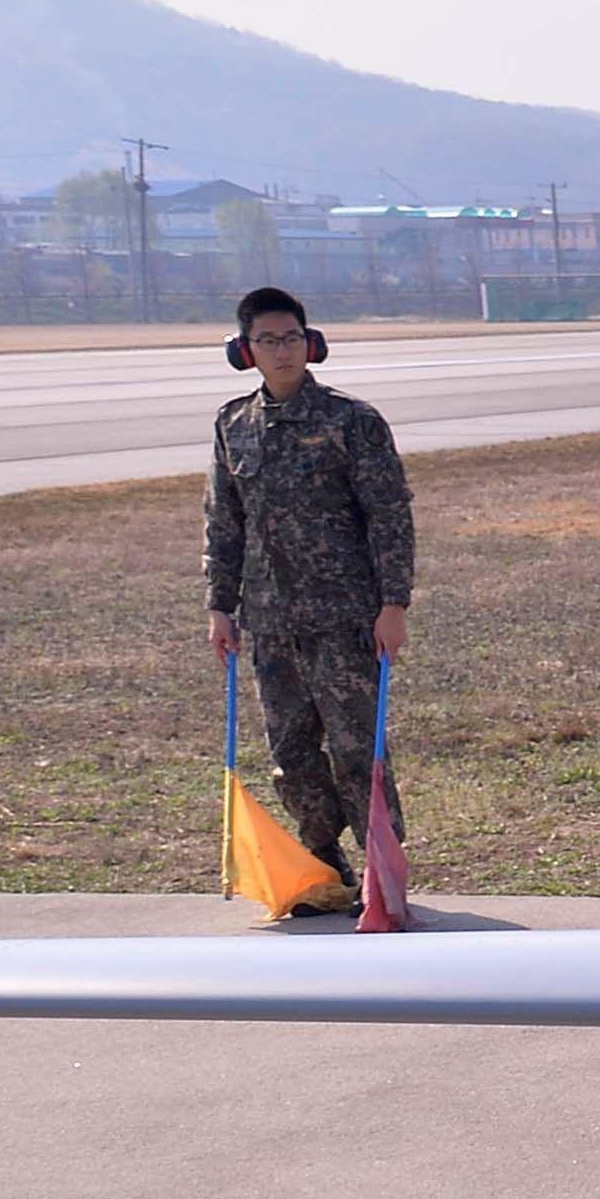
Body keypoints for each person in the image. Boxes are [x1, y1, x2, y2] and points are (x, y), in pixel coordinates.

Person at [204, 288, 412, 919]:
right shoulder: (232, 424)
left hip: (346, 618)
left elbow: (389, 517)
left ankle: (383, 869)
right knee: (292, 754)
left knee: (358, 750)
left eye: (292, 337)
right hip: (270, 623)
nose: (282, 350)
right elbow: (224, 521)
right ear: (246, 351)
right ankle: (323, 867)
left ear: (311, 342)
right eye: (268, 340)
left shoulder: (353, 421)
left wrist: (393, 603)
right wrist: (220, 605)